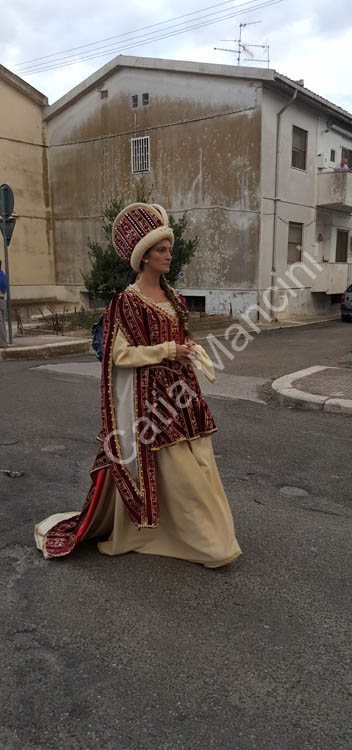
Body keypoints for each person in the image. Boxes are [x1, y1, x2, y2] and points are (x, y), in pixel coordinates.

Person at [35, 203, 242, 567]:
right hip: (151, 403)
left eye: (168, 249)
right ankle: (206, 544)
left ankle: (202, 536)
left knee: (200, 467)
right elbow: (119, 356)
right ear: (144, 256)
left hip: (184, 393)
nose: (168, 255)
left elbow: (182, 338)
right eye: (161, 249)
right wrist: (166, 350)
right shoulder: (125, 303)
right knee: (181, 477)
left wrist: (188, 351)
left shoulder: (175, 298)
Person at [0, 259, 8, 348]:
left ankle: (2, 344)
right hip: (3, 300)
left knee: (0, 323)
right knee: (2, 323)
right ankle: (4, 341)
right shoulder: (3, 274)